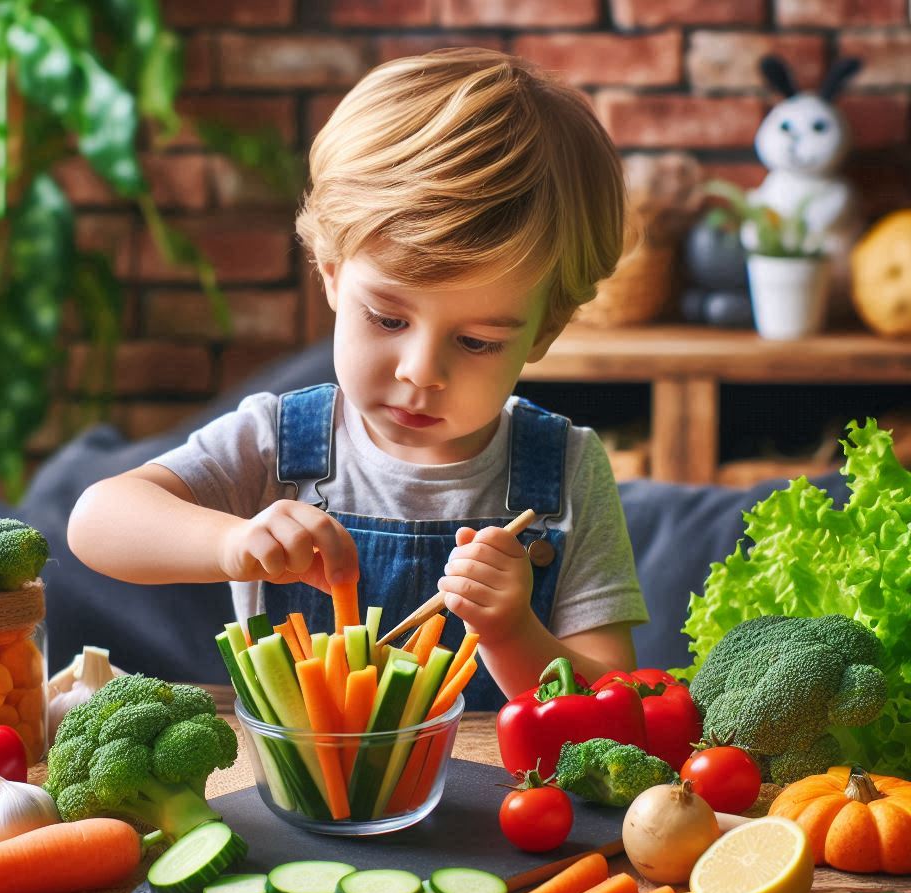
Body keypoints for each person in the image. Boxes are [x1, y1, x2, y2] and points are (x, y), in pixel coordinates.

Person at [67, 48, 649, 711]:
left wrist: (512, 630)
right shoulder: (279, 443)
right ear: (332, 273)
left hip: (504, 807)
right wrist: (231, 543)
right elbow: (96, 522)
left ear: (545, 330)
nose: (421, 370)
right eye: (389, 318)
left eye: (477, 341)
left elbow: (615, 699)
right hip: (304, 806)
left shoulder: (566, 471)